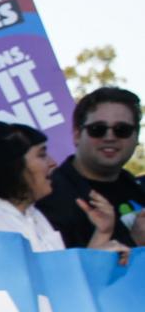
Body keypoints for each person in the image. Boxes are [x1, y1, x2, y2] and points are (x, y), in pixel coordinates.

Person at [0, 120, 129, 254]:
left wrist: (102, 232)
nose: (52, 163)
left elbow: (65, 281)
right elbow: (40, 287)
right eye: (42, 154)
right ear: (14, 165)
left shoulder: (31, 213)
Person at [37, 86, 143, 250]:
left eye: (122, 130)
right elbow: (64, 270)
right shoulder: (49, 196)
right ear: (77, 135)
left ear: (136, 137)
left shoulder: (136, 187)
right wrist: (135, 241)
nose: (110, 137)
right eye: (98, 130)